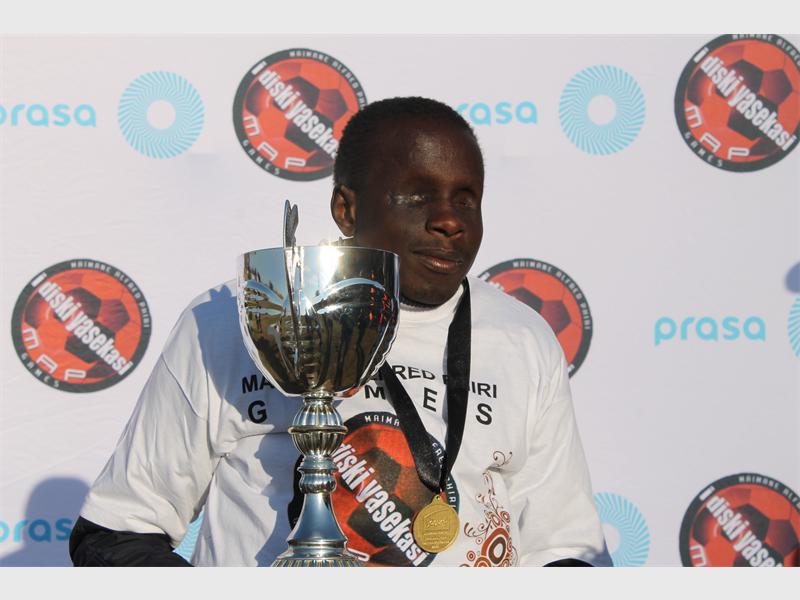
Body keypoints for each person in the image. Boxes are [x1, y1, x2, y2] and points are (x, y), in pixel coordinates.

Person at [70, 96, 611, 567]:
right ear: (346, 209)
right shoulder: (238, 319)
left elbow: (563, 550)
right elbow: (116, 532)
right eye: (418, 196)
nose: (450, 220)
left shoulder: (522, 339)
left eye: (466, 197)